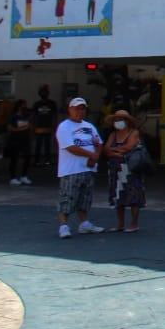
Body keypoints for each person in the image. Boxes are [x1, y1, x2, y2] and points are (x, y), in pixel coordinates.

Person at [55, 97, 104, 237]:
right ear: (70, 109)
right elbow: (70, 147)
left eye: (83, 109)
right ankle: (63, 225)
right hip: (71, 169)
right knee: (67, 197)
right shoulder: (64, 126)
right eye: (77, 108)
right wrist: (91, 154)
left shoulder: (89, 126)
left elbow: (98, 143)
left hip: (87, 168)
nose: (80, 111)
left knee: (85, 198)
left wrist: (94, 158)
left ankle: (84, 223)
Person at [102, 109, 147, 232]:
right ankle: (120, 223)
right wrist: (119, 152)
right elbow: (106, 149)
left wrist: (115, 150)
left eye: (120, 119)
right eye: (116, 119)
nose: (118, 121)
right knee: (118, 196)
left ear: (127, 121)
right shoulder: (113, 135)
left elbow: (129, 147)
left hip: (131, 169)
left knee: (134, 196)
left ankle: (134, 223)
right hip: (115, 170)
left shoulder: (134, 133)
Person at [6, 99, 34, 185]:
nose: (25, 107)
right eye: (23, 105)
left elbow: (30, 126)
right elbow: (9, 128)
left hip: (25, 140)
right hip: (15, 140)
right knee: (14, 158)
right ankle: (13, 177)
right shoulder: (13, 116)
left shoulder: (26, 116)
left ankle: (24, 176)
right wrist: (21, 129)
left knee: (27, 157)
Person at [32, 85, 58, 167]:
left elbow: (55, 115)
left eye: (45, 92)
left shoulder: (52, 103)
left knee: (47, 145)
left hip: (48, 127)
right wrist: (33, 126)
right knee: (38, 145)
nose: (44, 94)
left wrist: (54, 125)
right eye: (42, 92)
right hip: (39, 127)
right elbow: (33, 116)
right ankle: (37, 161)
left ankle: (47, 160)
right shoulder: (37, 104)